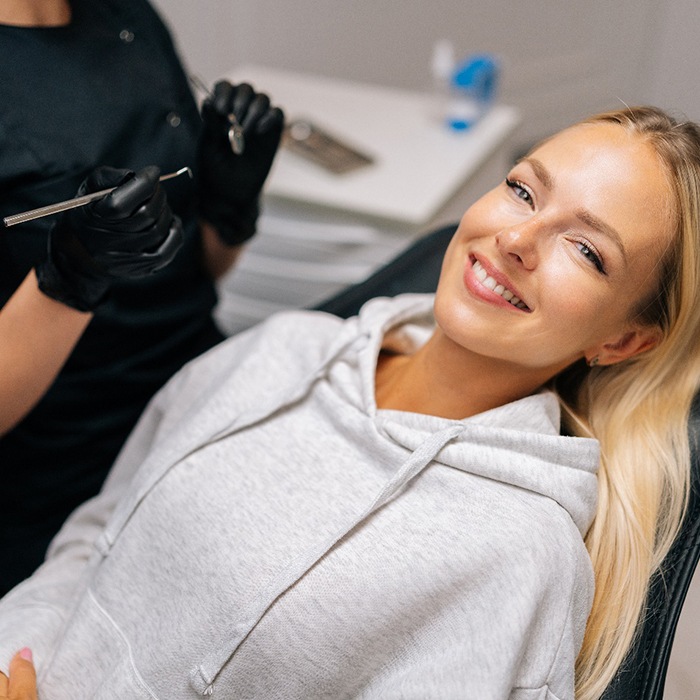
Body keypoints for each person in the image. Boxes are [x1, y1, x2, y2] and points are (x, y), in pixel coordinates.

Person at [1, 105, 698, 700]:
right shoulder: (287, 347)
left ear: (623, 341)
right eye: (522, 191)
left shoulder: (519, 556)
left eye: (586, 250)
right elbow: (96, 536)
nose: (515, 240)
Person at [0, 0, 284, 593]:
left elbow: (198, 272)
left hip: (202, 398)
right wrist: (70, 276)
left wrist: (231, 201)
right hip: (64, 469)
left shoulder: (128, 18)